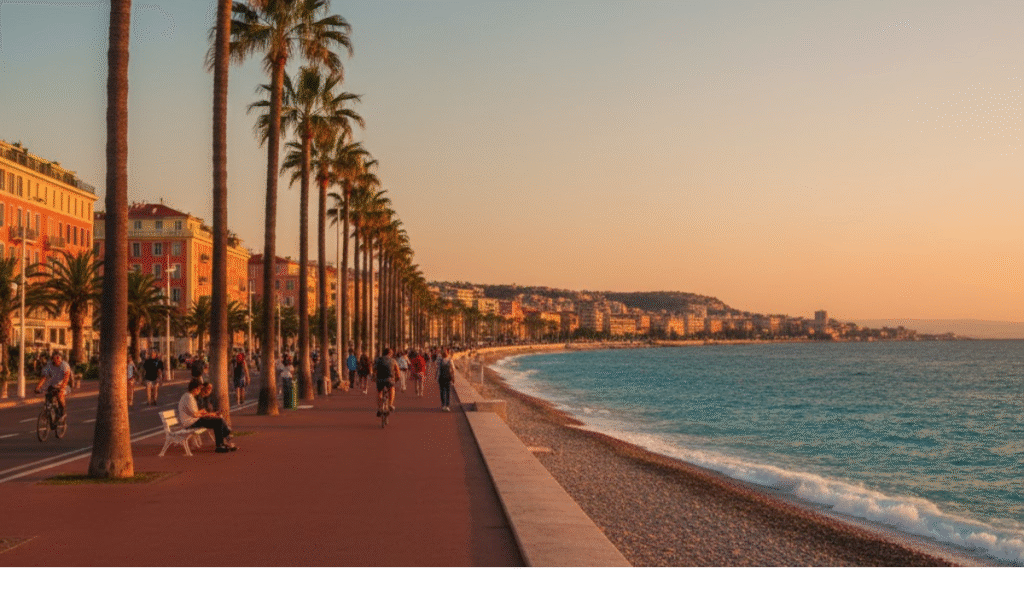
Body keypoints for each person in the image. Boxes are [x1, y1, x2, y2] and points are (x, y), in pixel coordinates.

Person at [178, 379, 236, 453]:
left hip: (193, 421)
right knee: (218, 421)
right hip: (191, 422)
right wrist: (204, 413)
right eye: (199, 389)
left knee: (218, 421)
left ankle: (221, 443)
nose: (199, 391)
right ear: (195, 388)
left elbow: (194, 412)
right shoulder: (189, 398)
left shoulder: (189, 396)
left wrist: (202, 412)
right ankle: (223, 441)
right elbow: (195, 414)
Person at [35, 350, 71, 417]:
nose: (57, 359)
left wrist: (62, 388)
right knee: (48, 398)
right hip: (53, 385)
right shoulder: (49, 365)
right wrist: (38, 387)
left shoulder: (64, 365)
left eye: (58, 357)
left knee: (60, 396)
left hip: (63, 385)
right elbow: (44, 377)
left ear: (61, 358)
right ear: (52, 358)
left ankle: (62, 411)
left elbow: (66, 378)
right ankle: (50, 417)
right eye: (55, 358)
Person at [374, 347, 400, 417]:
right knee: (392, 389)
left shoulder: (378, 360)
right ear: (389, 353)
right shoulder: (393, 360)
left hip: (380, 379)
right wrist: (397, 378)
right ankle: (390, 404)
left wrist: (374, 377)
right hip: (390, 379)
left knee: (379, 392)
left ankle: (379, 408)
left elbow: (374, 369)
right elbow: (397, 371)